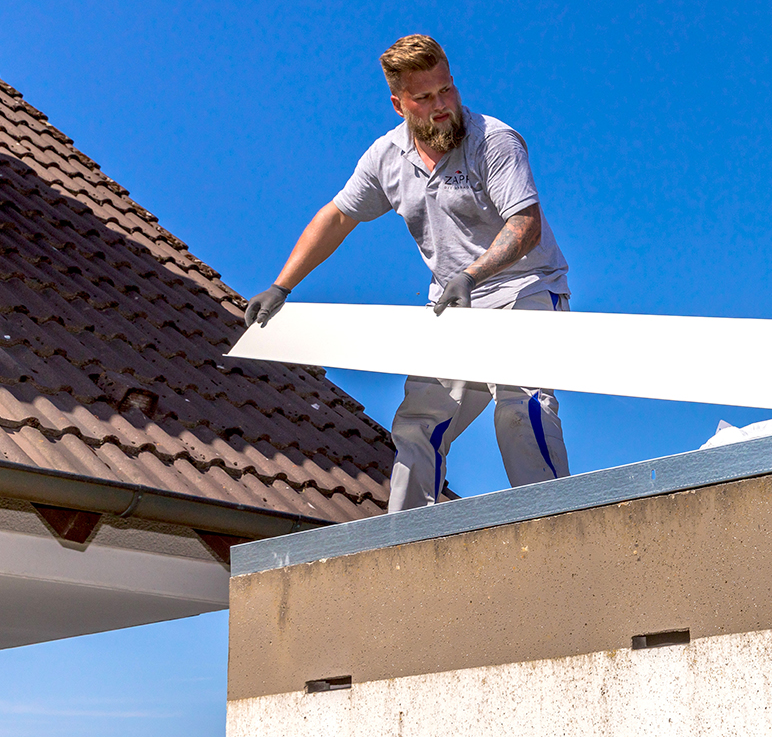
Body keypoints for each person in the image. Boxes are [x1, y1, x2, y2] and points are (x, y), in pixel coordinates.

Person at [244, 34, 571, 511]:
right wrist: (281, 285)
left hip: (525, 286)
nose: (442, 106)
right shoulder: (386, 158)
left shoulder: (493, 141)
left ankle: (555, 519)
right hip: (453, 301)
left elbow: (526, 224)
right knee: (421, 418)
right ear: (399, 104)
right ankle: (404, 538)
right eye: (425, 97)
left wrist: (472, 275)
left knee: (521, 403)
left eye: (447, 90)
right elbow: (337, 217)